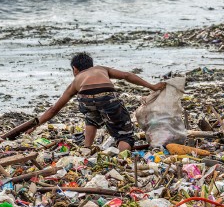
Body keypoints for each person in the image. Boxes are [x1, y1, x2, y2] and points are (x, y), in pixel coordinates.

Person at [28, 52, 166, 151]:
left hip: (85, 98)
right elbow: (126, 75)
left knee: (91, 116)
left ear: (75, 69)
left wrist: (36, 123)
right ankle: (123, 157)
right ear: (91, 65)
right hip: (107, 97)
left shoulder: (76, 81)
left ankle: (86, 149)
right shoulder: (101, 69)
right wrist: (152, 86)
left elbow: (54, 109)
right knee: (123, 132)